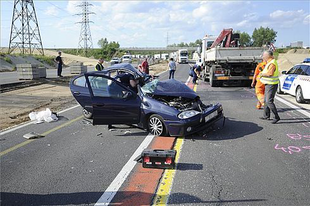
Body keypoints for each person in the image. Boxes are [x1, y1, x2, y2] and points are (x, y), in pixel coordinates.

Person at [259, 50, 280, 124]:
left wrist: (262, 74)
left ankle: (276, 117)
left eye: (264, 55)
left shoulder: (272, 63)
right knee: (265, 100)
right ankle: (266, 115)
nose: (263, 56)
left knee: (269, 101)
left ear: (268, 56)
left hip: (272, 84)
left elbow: (270, 73)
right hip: (269, 84)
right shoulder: (269, 62)